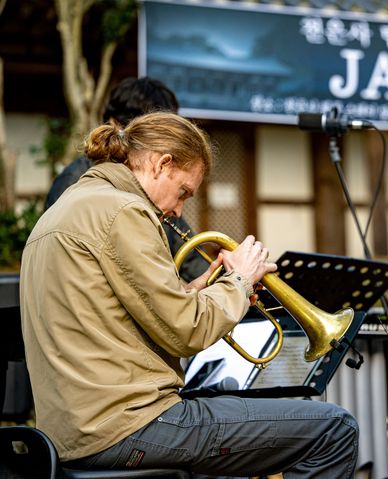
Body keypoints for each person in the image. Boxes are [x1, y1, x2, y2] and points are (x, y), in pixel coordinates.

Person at [20, 112, 359, 478]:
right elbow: (187, 332)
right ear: (161, 163)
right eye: (183, 192)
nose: (178, 210)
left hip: (71, 434)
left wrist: (198, 289)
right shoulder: (124, 211)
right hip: (129, 425)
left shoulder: (62, 213)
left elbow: (114, 314)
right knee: (335, 429)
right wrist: (240, 281)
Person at [44, 76, 206, 282]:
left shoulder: (154, 191)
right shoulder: (74, 181)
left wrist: (226, 274)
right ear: (116, 125)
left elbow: (188, 255)